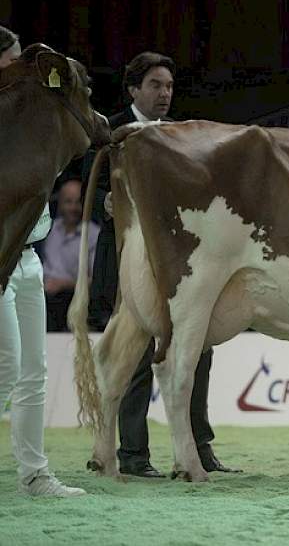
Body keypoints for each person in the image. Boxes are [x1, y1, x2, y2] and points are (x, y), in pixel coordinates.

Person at [86, 51, 236, 477]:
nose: (164, 93)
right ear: (133, 88)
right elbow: (89, 188)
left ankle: (200, 447)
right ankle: (134, 454)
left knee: (198, 350)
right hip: (126, 260)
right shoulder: (110, 131)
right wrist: (108, 204)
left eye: (169, 86)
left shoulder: (180, 134)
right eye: (155, 85)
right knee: (134, 355)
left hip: (179, 263)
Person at [0, 24, 86, 497]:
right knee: (8, 366)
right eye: (13, 60)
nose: (23, 70)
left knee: (34, 370)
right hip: (0, 257)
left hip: (29, 255)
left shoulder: (31, 115)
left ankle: (34, 474)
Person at [40, 179, 99, 332]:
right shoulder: (48, 230)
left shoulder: (94, 234)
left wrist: (63, 284)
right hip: (43, 297)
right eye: (68, 201)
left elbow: (97, 281)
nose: (73, 207)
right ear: (59, 203)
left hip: (73, 300)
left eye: (77, 202)